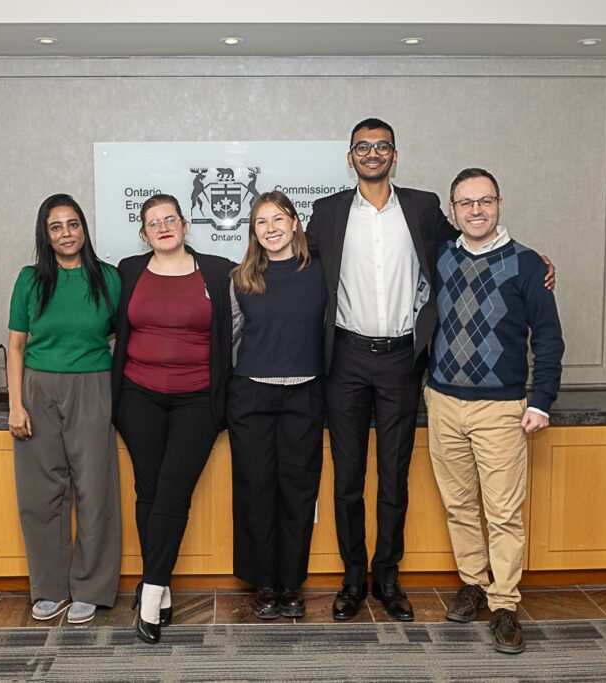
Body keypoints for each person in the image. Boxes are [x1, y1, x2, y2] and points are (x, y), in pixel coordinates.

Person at [305, 118, 555, 623]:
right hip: (346, 359)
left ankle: (389, 580)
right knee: (348, 479)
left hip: (402, 360)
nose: (372, 153)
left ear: (395, 156)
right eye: (362, 147)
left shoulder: (422, 209)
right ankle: (354, 579)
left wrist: (538, 263)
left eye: (382, 146)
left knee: (394, 478)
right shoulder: (326, 212)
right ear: (349, 157)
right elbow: (296, 267)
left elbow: (478, 242)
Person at [425, 168, 564, 654]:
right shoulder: (440, 256)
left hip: (502, 408)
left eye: (485, 201)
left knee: (504, 512)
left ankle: (504, 604)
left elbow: (548, 337)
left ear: (500, 204)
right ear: (453, 209)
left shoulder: (527, 264)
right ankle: (472, 584)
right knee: (459, 505)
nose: (476, 210)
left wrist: (542, 400)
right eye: (466, 203)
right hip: (442, 401)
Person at [111, 193, 235, 644]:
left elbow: (241, 326)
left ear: (184, 225)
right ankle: (158, 588)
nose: (163, 227)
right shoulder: (128, 271)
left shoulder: (218, 271)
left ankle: (150, 592)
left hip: (197, 400)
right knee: (149, 491)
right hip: (136, 396)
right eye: (153, 222)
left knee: (172, 492)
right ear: (144, 233)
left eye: (170, 219)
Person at [7, 193, 122, 625]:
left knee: (95, 489)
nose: (66, 234)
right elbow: (17, 345)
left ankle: (90, 587)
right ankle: (50, 587)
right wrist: (16, 405)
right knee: (40, 493)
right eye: (56, 227)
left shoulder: (108, 279)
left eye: (73, 224)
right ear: (46, 235)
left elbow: (119, 336)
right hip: (37, 389)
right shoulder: (29, 280)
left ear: (83, 229)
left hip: (93, 386)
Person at [228, 191, 326, 619]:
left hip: (304, 393)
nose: (270, 228)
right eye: (261, 222)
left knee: (298, 493)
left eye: (278, 219)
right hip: (251, 395)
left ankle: (291, 583)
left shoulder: (322, 270)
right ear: (253, 231)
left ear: (294, 222)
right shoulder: (241, 278)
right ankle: (263, 583)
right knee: (256, 492)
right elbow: (227, 337)